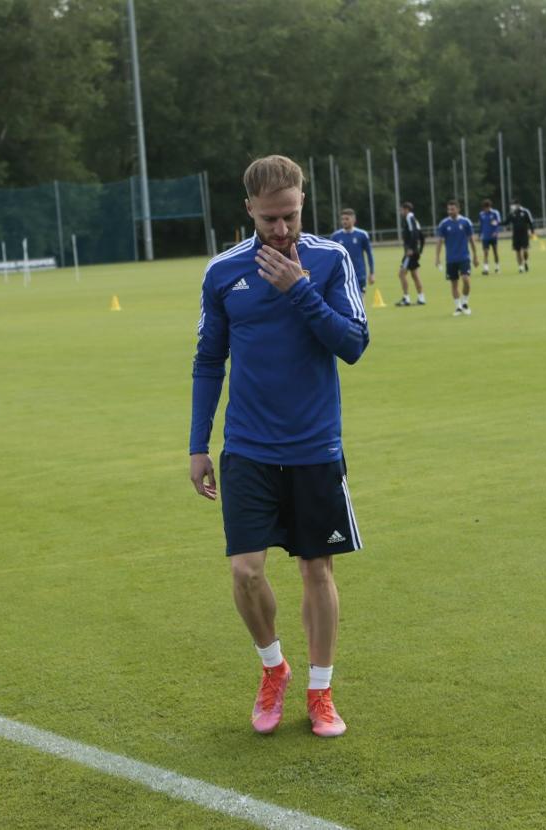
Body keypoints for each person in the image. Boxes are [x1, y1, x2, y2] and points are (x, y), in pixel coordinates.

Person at [189, 154, 369, 739]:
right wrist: (198, 445)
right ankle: (274, 670)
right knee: (245, 571)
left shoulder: (330, 259)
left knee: (317, 569)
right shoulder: (223, 273)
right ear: (248, 211)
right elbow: (208, 361)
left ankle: (321, 691)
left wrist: (299, 291)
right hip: (248, 446)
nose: (281, 230)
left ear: (301, 203)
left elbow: (353, 344)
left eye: (290, 215)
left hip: (315, 447)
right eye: (269, 219)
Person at [434, 199, 479, 316]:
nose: (450, 211)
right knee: (454, 284)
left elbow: (471, 240)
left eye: (452, 209)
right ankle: (458, 307)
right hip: (450, 259)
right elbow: (439, 242)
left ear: (458, 209)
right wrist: (437, 257)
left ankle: (465, 302)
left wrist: (475, 256)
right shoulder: (444, 224)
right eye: (448, 209)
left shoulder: (465, 222)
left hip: (464, 257)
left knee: (466, 280)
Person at [330, 208, 375, 293]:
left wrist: (372, 273)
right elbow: (330, 257)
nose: (344, 221)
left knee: (360, 301)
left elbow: (369, 254)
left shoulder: (362, 235)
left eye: (347, 219)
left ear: (354, 219)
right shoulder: (335, 236)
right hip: (342, 275)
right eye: (342, 219)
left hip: (359, 274)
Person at [395, 201, 426, 306]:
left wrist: (411, 249)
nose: (400, 212)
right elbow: (421, 235)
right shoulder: (415, 220)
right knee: (414, 274)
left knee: (401, 273)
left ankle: (406, 298)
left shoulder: (409, 218)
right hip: (414, 251)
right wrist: (420, 249)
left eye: (401, 210)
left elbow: (414, 234)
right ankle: (421, 298)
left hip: (410, 252)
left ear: (406, 209)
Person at [504, 198, 534, 272]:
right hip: (516, 235)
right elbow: (506, 222)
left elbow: (530, 222)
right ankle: (520, 267)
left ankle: (526, 262)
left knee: (525, 250)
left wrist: (532, 231)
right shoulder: (512, 213)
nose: (512, 206)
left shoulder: (525, 211)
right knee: (517, 251)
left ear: (518, 204)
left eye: (513, 205)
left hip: (524, 234)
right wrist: (496, 223)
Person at [477, 199, 501, 274]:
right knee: (485, 252)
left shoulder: (495, 213)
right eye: (484, 208)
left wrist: (496, 232)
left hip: (493, 236)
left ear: (490, 207)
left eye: (487, 207)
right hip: (485, 237)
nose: (486, 209)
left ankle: (497, 267)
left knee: (495, 252)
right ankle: (486, 269)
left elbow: (497, 223)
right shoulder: (481, 214)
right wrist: (479, 235)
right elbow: (481, 225)